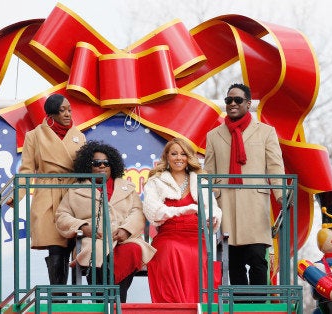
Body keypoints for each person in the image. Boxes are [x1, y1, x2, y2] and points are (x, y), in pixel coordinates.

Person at [203, 83, 286, 288]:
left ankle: (258, 306)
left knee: (258, 258)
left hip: (254, 205)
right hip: (226, 205)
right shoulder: (213, 135)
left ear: (248, 104)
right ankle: (240, 306)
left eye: (237, 100)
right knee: (233, 262)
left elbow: (275, 167)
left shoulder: (266, 132)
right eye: (228, 100)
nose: (232, 104)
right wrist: (207, 204)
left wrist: (281, 196)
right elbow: (209, 173)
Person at [55, 141, 155, 303]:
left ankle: (112, 302)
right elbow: (62, 216)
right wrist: (83, 227)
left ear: (112, 165)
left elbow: (138, 212)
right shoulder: (75, 190)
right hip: (94, 241)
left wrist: (126, 230)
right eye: (96, 163)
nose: (102, 166)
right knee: (99, 255)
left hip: (123, 240)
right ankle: (112, 303)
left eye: (106, 163)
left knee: (133, 249)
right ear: (88, 166)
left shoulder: (127, 187)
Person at [7, 93, 86, 296]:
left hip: (73, 194)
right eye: (63, 110)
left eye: (70, 109)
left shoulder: (79, 135)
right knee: (56, 247)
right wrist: (17, 196)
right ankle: (59, 297)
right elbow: (26, 170)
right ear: (52, 113)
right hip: (48, 194)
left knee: (76, 243)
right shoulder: (34, 135)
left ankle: (76, 300)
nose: (68, 114)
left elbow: (86, 169)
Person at [143, 137, 222, 303]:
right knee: (171, 249)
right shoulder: (156, 182)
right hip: (169, 234)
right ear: (166, 157)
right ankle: (174, 307)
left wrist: (211, 217)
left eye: (183, 154)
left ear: (189, 158)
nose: (179, 158)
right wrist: (181, 210)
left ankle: (196, 306)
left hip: (195, 235)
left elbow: (213, 209)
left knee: (197, 254)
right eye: (174, 154)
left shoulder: (200, 180)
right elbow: (153, 212)